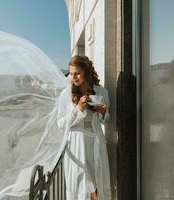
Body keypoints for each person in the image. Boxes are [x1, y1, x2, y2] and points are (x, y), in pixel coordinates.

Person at [57, 55, 111, 200]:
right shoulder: (66, 94)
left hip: (96, 142)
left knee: (97, 185)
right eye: (71, 73)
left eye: (77, 73)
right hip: (76, 144)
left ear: (86, 72)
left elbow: (107, 120)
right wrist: (78, 109)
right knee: (82, 187)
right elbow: (61, 124)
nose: (73, 77)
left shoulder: (101, 92)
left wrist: (103, 112)